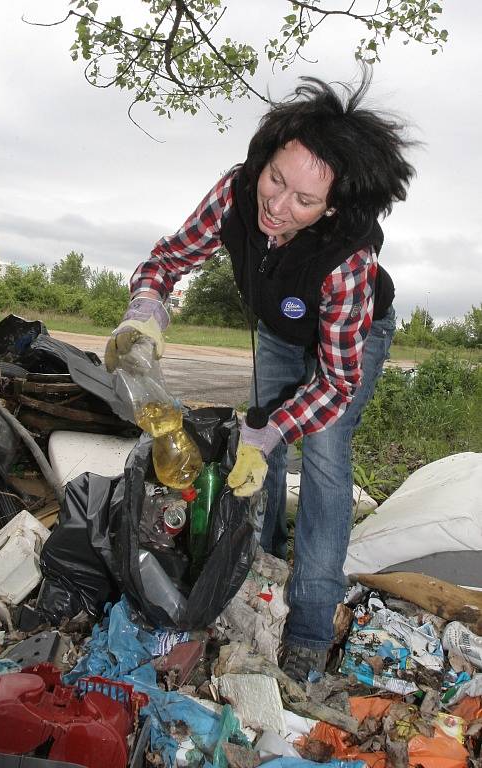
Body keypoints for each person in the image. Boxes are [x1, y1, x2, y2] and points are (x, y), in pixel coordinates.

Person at [105, 70, 415, 682]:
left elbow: (334, 383)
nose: (277, 205)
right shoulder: (236, 194)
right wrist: (146, 308)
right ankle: (261, 557)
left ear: (334, 206)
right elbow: (167, 259)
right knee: (257, 443)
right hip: (277, 326)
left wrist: (276, 429)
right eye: (276, 179)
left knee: (323, 456)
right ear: (264, 158)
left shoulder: (348, 259)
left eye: (304, 201)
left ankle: (307, 623)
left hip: (351, 341)